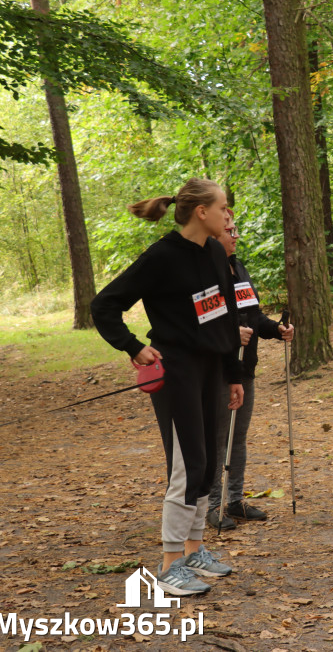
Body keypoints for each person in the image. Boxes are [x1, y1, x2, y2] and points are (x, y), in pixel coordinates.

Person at [91, 178, 242, 596]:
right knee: (186, 466)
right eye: (223, 208)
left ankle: (194, 551)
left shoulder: (214, 251)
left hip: (211, 369)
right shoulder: (161, 257)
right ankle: (169, 564)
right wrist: (133, 347)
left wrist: (232, 373)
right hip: (175, 371)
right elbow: (104, 305)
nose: (228, 215)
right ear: (201, 212)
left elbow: (224, 317)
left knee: (208, 464)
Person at [207, 210, 295, 530]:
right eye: (228, 230)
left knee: (238, 437)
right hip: (217, 369)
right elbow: (204, 323)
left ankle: (234, 500)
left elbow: (252, 316)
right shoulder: (206, 273)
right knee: (218, 438)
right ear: (212, 234)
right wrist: (231, 336)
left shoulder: (238, 267)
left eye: (235, 229)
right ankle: (214, 505)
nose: (235, 235)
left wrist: (276, 329)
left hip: (245, 367)